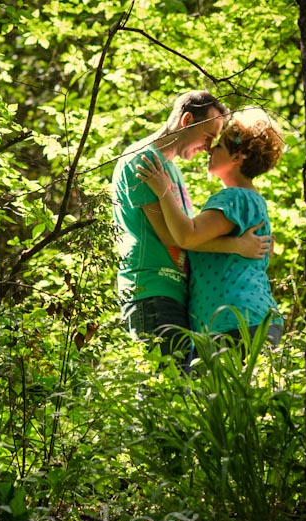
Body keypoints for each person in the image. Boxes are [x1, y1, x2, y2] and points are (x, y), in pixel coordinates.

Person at [111, 91, 271, 359]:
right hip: (151, 288)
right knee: (163, 389)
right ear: (186, 121)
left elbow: (189, 236)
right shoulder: (144, 161)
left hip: (175, 291)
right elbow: (174, 237)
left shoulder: (169, 169)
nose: (210, 147)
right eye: (209, 136)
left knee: (182, 392)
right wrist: (237, 245)